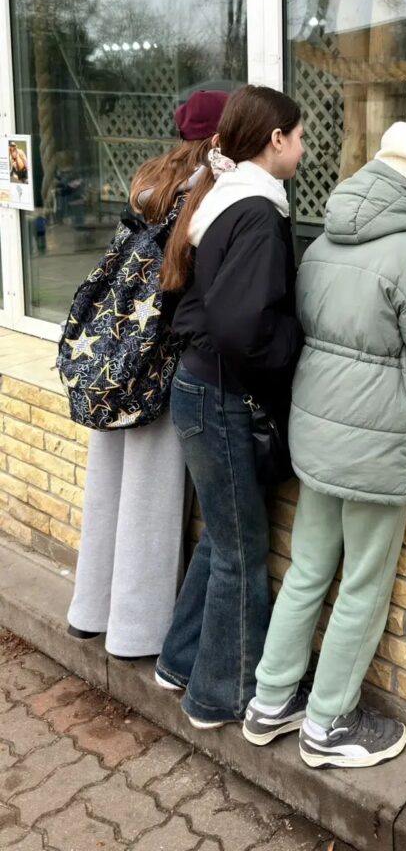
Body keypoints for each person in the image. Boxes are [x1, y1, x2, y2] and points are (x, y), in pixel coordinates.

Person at [243, 121, 406, 768]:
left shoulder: (323, 238)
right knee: (363, 584)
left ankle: (270, 700)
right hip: (374, 448)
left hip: (317, 434)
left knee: (307, 571)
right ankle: (328, 723)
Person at [155, 85, 305, 730]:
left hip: (198, 386)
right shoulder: (258, 211)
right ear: (275, 139)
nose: (303, 147)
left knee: (222, 538)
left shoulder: (221, 197)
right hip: (220, 395)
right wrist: (294, 347)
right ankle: (221, 694)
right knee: (242, 551)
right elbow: (245, 327)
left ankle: (180, 661)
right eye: (300, 136)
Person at [66, 89, 228, 658]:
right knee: (150, 498)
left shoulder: (150, 180)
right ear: (219, 136)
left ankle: (90, 610)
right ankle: (138, 631)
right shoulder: (208, 191)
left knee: (107, 487)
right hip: (160, 364)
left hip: (116, 358)